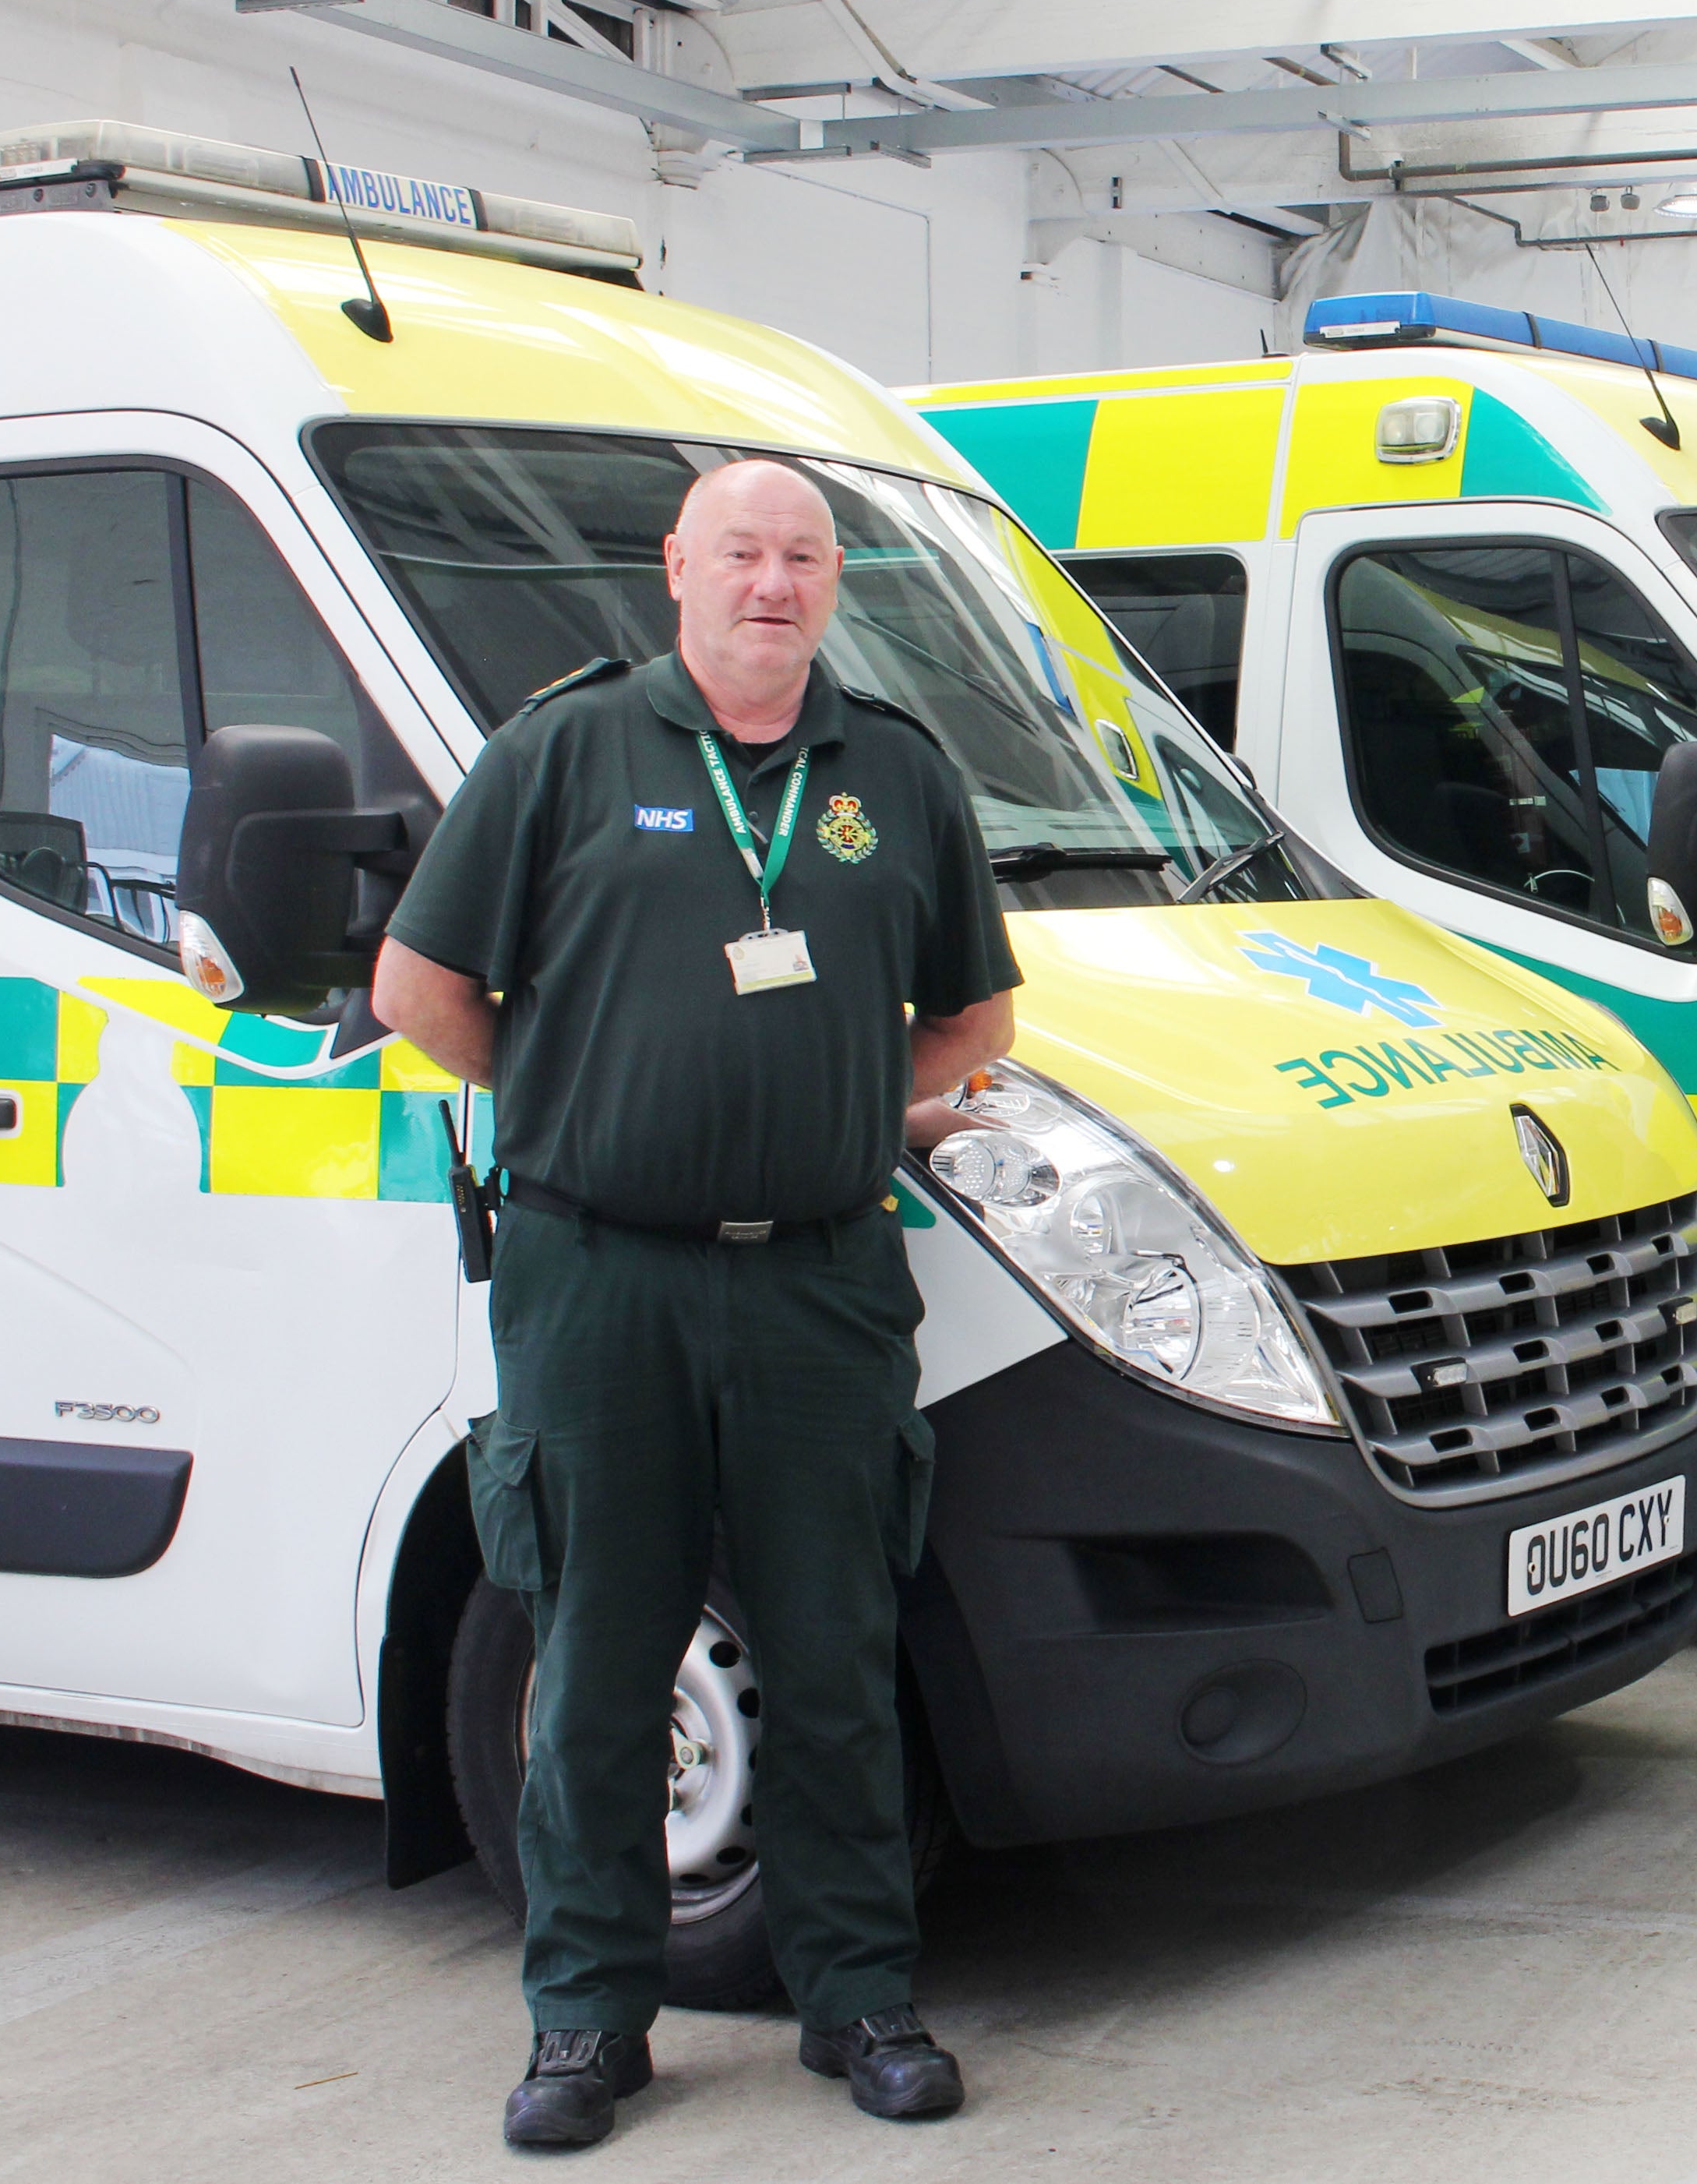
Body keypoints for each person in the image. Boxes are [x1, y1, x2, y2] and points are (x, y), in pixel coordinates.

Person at [372, 457, 1018, 2150]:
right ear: (676, 567)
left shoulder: (892, 770)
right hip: (600, 1279)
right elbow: (417, 987)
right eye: (741, 550)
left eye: (802, 556)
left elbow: (973, 1017)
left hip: (819, 1276)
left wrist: (844, 1110)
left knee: (833, 1650)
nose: (772, 583)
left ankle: (857, 1992)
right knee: (597, 1660)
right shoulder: (565, 753)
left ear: (830, 582)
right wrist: (574, 1092)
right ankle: (587, 2018)